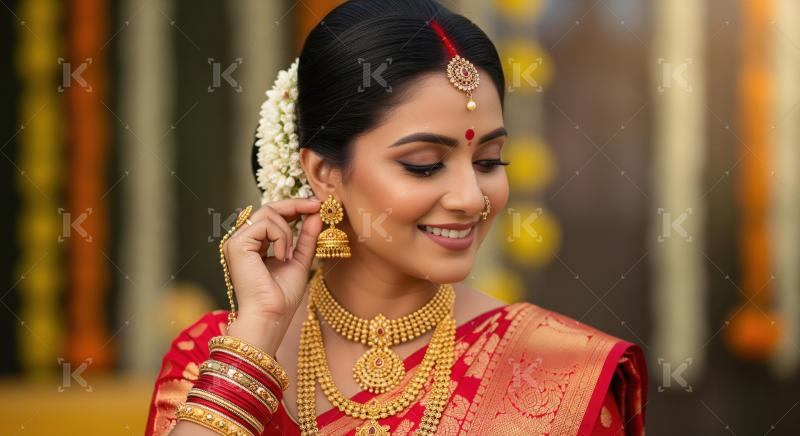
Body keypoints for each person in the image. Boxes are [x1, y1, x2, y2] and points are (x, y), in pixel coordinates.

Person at [145, 1, 647, 434]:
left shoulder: (560, 372)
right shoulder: (213, 355)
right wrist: (259, 331)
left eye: (489, 161)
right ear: (324, 173)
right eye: (424, 164)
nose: (471, 198)